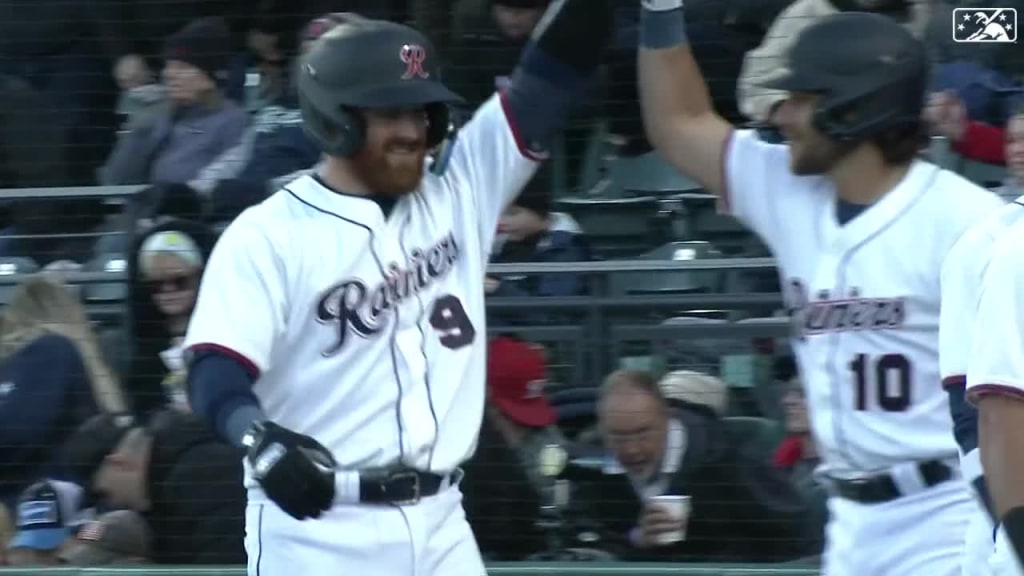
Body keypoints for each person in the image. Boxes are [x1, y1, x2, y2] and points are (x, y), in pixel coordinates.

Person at [182, 4, 610, 575]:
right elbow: (214, 369)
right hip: (319, 531)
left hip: (443, 523)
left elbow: (552, 75)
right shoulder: (269, 235)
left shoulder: (460, 190)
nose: (412, 131)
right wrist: (258, 439)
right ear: (336, 118)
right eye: (389, 113)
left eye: (422, 112)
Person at [636, 2, 1004, 575]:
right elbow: (677, 123)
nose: (782, 114)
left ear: (856, 107)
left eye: (802, 98)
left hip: (952, 512)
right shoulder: (788, 190)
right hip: (852, 525)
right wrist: (660, 10)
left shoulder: (967, 224)